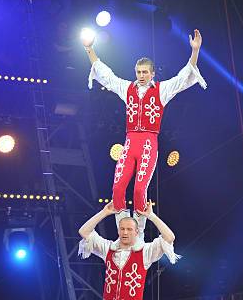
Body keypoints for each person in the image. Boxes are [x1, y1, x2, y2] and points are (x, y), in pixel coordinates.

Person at [82, 29, 207, 217]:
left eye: (145, 72)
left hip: (148, 143)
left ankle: (139, 233)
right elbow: (106, 75)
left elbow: (183, 78)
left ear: (152, 73)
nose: (141, 75)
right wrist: (89, 48)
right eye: (139, 72)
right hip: (130, 142)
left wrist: (195, 51)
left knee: (140, 190)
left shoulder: (162, 89)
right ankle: (123, 229)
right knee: (117, 188)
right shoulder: (127, 88)